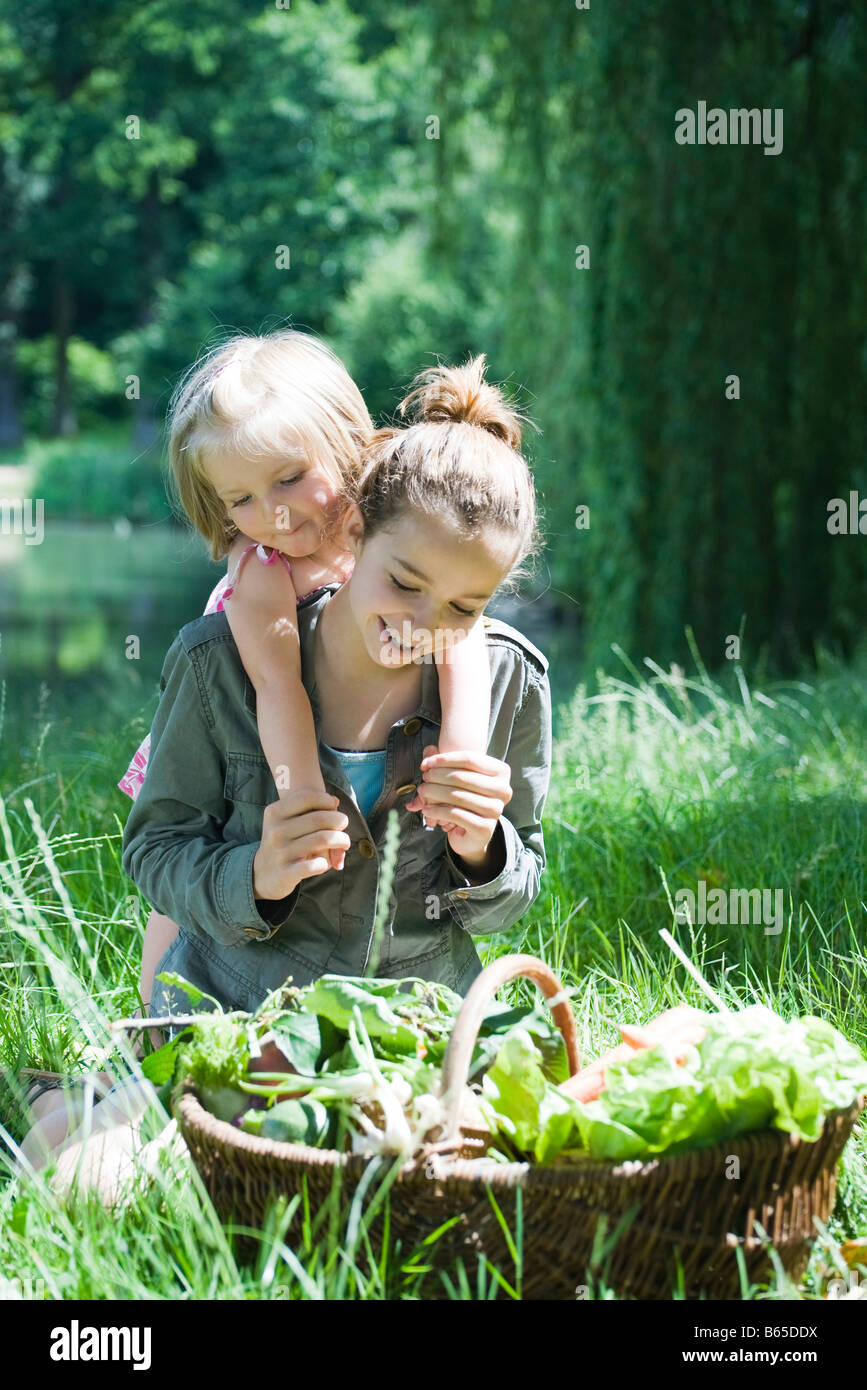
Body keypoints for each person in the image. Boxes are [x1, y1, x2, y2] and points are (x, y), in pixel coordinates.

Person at [18, 354, 552, 1188]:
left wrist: (480, 839)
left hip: (404, 1035)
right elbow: (161, 849)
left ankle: (119, 1088)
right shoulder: (230, 642)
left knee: (458, 1189)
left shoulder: (499, 667)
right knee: (88, 1182)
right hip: (240, 1011)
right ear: (369, 525)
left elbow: (511, 890)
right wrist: (264, 864)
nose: (421, 622)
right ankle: (134, 1061)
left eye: (460, 604)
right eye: (403, 582)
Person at [116, 328, 491, 1050]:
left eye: (289, 478)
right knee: (195, 890)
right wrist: (297, 801)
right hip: (245, 749)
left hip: (359, 752)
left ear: (347, 440)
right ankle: (151, 1035)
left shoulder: (393, 520)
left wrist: (460, 752)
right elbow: (276, 685)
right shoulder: (263, 573)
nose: (275, 514)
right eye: (243, 498)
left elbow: (460, 630)